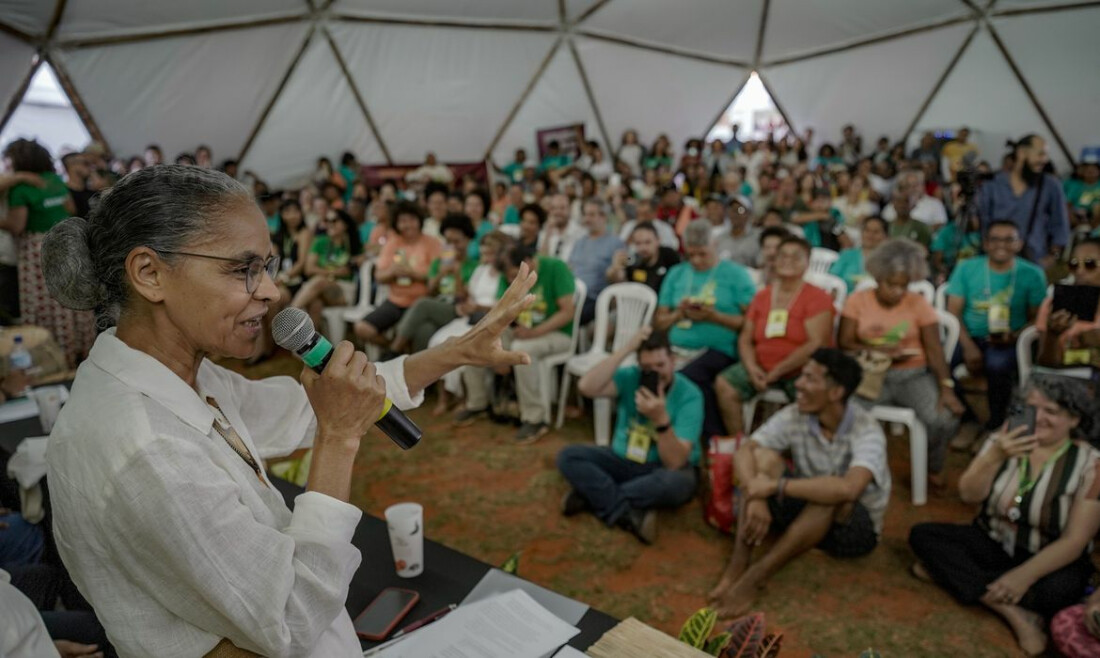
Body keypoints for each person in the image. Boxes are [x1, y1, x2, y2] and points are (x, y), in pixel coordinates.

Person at [38, 164, 537, 657]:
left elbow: (298, 408)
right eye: (242, 269)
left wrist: (455, 352)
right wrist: (339, 440)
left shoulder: (178, 375)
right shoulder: (144, 448)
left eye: (268, 267)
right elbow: (290, 618)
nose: (272, 292)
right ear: (150, 273)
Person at [909, 376, 1100, 657]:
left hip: (1048, 557)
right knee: (923, 535)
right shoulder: (1004, 439)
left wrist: (1022, 577)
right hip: (994, 541)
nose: (1039, 418)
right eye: (1031, 407)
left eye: (1052, 412)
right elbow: (968, 495)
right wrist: (993, 456)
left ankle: (953, 576)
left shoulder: (1092, 465)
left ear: (1074, 420)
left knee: (1060, 591)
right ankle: (1009, 609)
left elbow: (1076, 540)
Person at [708, 349, 890, 619]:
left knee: (831, 493)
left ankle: (755, 577)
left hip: (851, 528)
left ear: (836, 392)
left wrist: (775, 487)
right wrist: (756, 493)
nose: (798, 384)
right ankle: (737, 565)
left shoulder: (867, 430)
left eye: (809, 379)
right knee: (764, 459)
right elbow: (746, 451)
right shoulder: (797, 414)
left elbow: (849, 488)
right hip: (807, 507)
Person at [839, 239, 964, 489]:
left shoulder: (918, 303)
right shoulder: (857, 300)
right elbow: (845, 342)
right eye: (891, 284)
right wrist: (876, 350)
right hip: (871, 374)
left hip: (912, 375)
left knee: (944, 419)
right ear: (878, 277)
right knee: (844, 414)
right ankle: (849, 470)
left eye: (903, 285)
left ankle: (933, 466)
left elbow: (934, 349)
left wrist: (946, 387)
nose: (897, 291)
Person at [559, 327, 703, 544]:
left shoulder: (690, 394)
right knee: (569, 456)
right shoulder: (631, 377)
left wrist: (661, 419)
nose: (654, 374)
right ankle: (626, 513)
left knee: (676, 483)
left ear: (673, 361)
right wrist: (626, 349)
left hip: (661, 467)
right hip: (623, 458)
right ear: (638, 365)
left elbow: (675, 462)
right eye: (647, 367)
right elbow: (586, 386)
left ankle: (591, 496)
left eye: (660, 365)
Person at [714, 237, 835, 438]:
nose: (788, 261)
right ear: (775, 260)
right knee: (725, 385)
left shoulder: (817, 297)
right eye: (783, 256)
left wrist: (777, 371)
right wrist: (752, 369)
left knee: (813, 393)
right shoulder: (762, 296)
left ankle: (801, 454)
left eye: (796, 257)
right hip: (762, 366)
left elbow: (817, 344)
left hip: (801, 368)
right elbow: (745, 338)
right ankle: (741, 444)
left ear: (807, 262)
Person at [458, 244, 576, 443]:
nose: (513, 281)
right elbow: (503, 310)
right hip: (522, 330)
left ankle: (536, 419)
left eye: (514, 275)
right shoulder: (511, 275)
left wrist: (534, 332)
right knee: (478, 339)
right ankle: (477, 403)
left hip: (558, 334)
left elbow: (567, 312)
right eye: (509, 277)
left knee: (523, 350)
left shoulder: (556, 267)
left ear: (528, 263)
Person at [655, 219, 756, 438]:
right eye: (691, 255)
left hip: (719, 348)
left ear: (715, 245)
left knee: (688, 378)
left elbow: (752, 322)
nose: (697, 261)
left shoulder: (735, 274)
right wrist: (679, 313)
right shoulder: (677, 273)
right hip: (676, 346)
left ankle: (713, 438)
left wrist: (714, 317)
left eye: (703, 254)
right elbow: (659, 322)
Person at [948, 221, 1047, 435]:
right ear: (985, 244)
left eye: (1008, 239)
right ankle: (968, 419)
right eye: (995, 239)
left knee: (998, 365)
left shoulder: (1032, 273)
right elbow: (953, 311)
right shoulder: (967, 267)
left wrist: (1016, 335)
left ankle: (995, 423)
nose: (1001, 244)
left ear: (1019, 244)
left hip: (1009, 339)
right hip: (968, 334)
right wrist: (968, 347)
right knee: (937, 361)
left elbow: (1038, 318)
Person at [0, 139, 93, 367]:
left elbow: (17, 225)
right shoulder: (54, 181)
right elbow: (69, 208)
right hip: (65, 243)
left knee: (48, 304)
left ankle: (56, 356)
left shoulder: (21, 189)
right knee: (70, 300)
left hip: (37, 250)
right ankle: (81, 349)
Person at [354, 201, 442, 347]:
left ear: (419, 221)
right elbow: (379, 276)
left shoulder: (432, 243)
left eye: (412, 220)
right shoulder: (393, 242)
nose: (408, 225)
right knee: (362, 328)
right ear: (396, 223)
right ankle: (394, 352)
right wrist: (392, 272)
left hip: (421, 303)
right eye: (403, 221)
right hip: (395, 301)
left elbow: (438, 277)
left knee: (414, 335)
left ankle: (396, 352)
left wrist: (413, 274)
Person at [390, 213, 478, 355]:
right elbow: (430, 291)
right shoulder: (438, 263)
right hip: (438, 306)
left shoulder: (474, 266)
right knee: (425, 330)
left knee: (422, 304)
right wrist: (441, 274)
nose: (453, 246)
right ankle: (421, 372)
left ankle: (393, 350)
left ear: (468, 240)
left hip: (458, 310)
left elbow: (463, 298)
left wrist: (456, 274)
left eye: (457, 241)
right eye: (448, 242)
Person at [977, 135, 1069, 267]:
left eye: (1045, 155)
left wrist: (1053, 257)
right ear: (1021, 153)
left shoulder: (1051, 185)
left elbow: (1060, 224)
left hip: (1035, 260)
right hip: (995, 261)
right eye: (1040, 154)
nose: (1044, 160)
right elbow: (983, 223)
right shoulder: (992, 184)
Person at [1036, 237, 1100, 373]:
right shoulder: (1052, 304)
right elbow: (1046, 364)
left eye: (1090, 264)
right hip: (1067, 380)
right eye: (1074, 264)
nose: (1080, 271)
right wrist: (1053, 335)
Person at [290, 208, 360, 331]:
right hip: (320, 288)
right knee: (315, 303)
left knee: (319, 281)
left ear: (345, 224)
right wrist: (335, 272)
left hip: (343, 290)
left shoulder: (353, 244)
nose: (329, 224)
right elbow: (309, 269)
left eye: (334, 220)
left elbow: (374, 251)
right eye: (327, 221)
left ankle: (290, 314)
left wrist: (361, 259)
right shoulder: (320, 241)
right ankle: (309, 346)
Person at [569, 200, 625, 324]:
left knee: (566, 316)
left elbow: (620, 275)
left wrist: (616, 268)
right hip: (572, 294)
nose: (587, 219)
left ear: (603, 217)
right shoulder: (580, 242)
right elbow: (570, 268)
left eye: (592, 215)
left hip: (595, 298)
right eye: (585, 215)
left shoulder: (615, 243)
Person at [606, 221, 680, 293]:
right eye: (638, 243)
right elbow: (617, 280)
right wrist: (616, 266)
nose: (643, 248)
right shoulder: (633, 259)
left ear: (658, 240)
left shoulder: (669, 255)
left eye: (647, 242)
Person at [829, 216, 888, 292]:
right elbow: (831, 277)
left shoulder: (888, 261)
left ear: (885, 236)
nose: (870, 235)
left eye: (876, 232)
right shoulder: (847, 254)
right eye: (867, 230)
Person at [714, 197, 760, 268]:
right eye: (732, 210)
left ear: (748, 214)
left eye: (740, 210)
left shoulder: (757, 238)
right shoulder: (720, 238)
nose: (735, 214)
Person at [60, 152, 94, 219]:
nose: (90, 167)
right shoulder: (64, 194)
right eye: (85, 163)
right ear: (72, 166)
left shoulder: (92, 190)